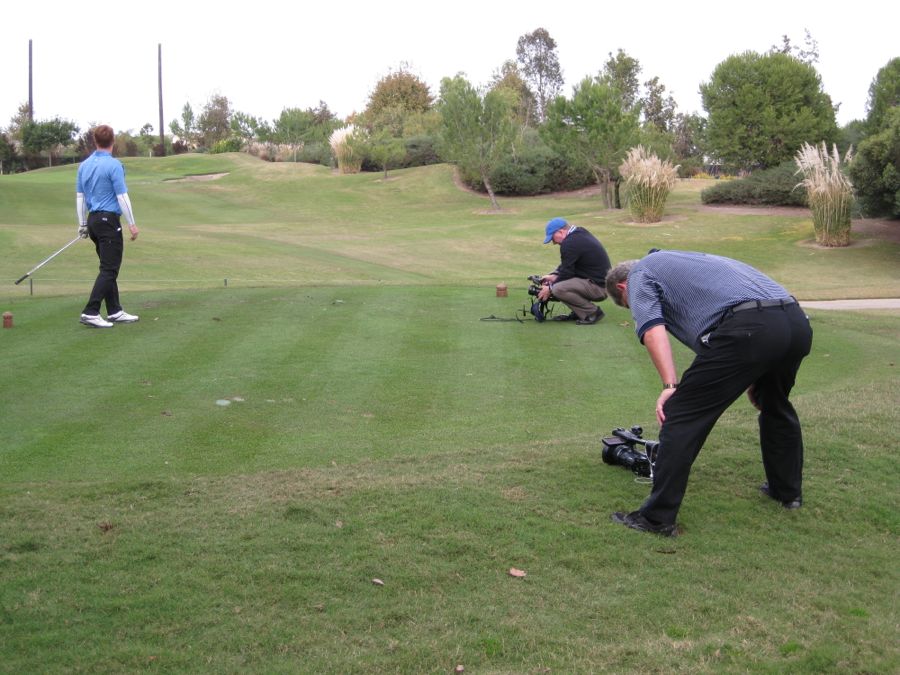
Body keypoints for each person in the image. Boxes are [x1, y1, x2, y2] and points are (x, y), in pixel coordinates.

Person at [605, 250, 813, 536]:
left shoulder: (640, 274)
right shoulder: (684, 261)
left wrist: (669, 386)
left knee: (679, 414)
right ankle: (787, 493)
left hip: (752, 328)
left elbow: (653, 331)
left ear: (622, 288)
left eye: (630, 305)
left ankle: (656, 519)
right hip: (795, 322)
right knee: (775, 404)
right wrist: (754, 374)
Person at [76, 125, 140, 328]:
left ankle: (114, 310)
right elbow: (122, 196)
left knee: (107, 266)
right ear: (113, 142)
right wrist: (132, 224)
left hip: (94, 221)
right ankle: (91, 311)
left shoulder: (83, 166)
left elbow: (80, 198)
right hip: (109, 222)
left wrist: (83, 224)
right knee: (109, 269)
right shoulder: (114, 165)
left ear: (95, 142)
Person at [537, 217, 611, 325]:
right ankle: (579, 312)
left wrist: (549, 288)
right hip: (600, 283)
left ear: (561, 232)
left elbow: (567, 273)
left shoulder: (569, 243)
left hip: (599, 288)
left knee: (558, 289)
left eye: (552, 238)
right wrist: (554, 275)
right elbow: (569, 264)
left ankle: (592, 313)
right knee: (558, 283)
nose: (553, 242)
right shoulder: (579, 233)